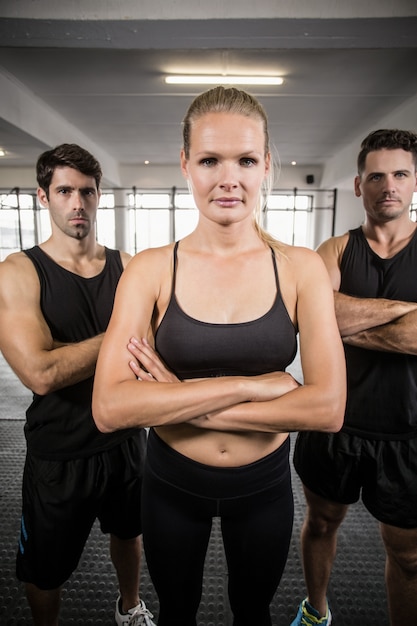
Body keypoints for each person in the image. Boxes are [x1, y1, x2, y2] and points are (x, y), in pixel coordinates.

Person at [92, 86, 346, 626]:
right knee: (177, 612)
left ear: (266, 165)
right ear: (186, 163)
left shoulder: (301, 269)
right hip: (171, 483)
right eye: (210, 159)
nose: (229, 178)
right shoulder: (151, 268)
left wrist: (174, 398)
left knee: (252, 612)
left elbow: (327, 409)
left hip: (262, 487)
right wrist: (261, 385)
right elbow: (110, 407)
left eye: (246, 160)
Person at [0, 144, 155, 626]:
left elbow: (156, 349)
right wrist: (123, 338)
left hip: (126, 440)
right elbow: (41, 374)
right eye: (65, 190)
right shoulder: (18, 273)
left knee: (129, 534)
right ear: (43, 196)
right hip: (60, 450)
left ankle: (129, 606)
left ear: (99, 196)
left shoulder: (128, 266)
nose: (78, 203)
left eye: (87, 191)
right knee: (45, 570)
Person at [290, 129, 417, 626]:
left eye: (401, 174)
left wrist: (340, 318)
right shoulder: (335, 249)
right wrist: (404, 312)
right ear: (360, 183)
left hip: (407, 434)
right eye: (378, 175)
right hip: (334, 422)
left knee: (407, 556)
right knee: (321, 523)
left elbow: (333, 319)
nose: (390, 185)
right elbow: (312, 319)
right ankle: (316, 611)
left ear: (413, 182)